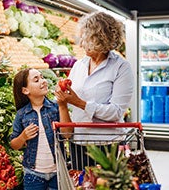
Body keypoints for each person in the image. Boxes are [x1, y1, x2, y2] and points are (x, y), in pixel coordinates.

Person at [56, 11, 134, 170]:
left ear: (99, 38)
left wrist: (79, 102)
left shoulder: (121, 67)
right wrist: (62, 97)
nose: (80, 44)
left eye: (85, 38)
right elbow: (69, 102)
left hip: (106, 143)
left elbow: (116, 112)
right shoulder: (79, 65)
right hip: (78, 141)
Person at [10, 68, 71, 190]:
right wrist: (23, 137)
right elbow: (13, 145)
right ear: (25, 90)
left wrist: (63, 106)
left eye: (42, 77)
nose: (43, 81)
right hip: (33, 174)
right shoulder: (22, 114)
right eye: (36, 80)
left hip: (57, 171)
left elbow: (67, 134)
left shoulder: (56, 107)